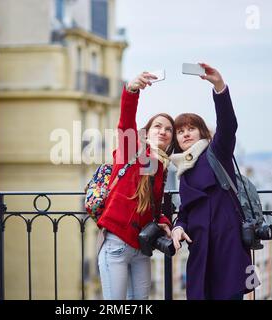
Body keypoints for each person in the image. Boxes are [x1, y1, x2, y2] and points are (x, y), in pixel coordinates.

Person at [170, 63, 254, 300]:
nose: (186, 134)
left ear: (201, 132)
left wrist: (219, 87)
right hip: (200, 251)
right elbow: (186, 212)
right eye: (180, 131)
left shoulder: (216, 152)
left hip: (227, 246)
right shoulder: (182, 169)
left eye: (191, 128)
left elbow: (228, 127)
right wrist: (178, 227)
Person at [97, 72, 178, 300]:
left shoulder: (160, 166)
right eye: (158, 126)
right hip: (117, 245)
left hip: (141, 248)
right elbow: (126, 122)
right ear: (146, 131)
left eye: (168, 130)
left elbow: (152, 208)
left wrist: (162, 221)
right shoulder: (131, 150)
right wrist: (132, 91)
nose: (163, 131)